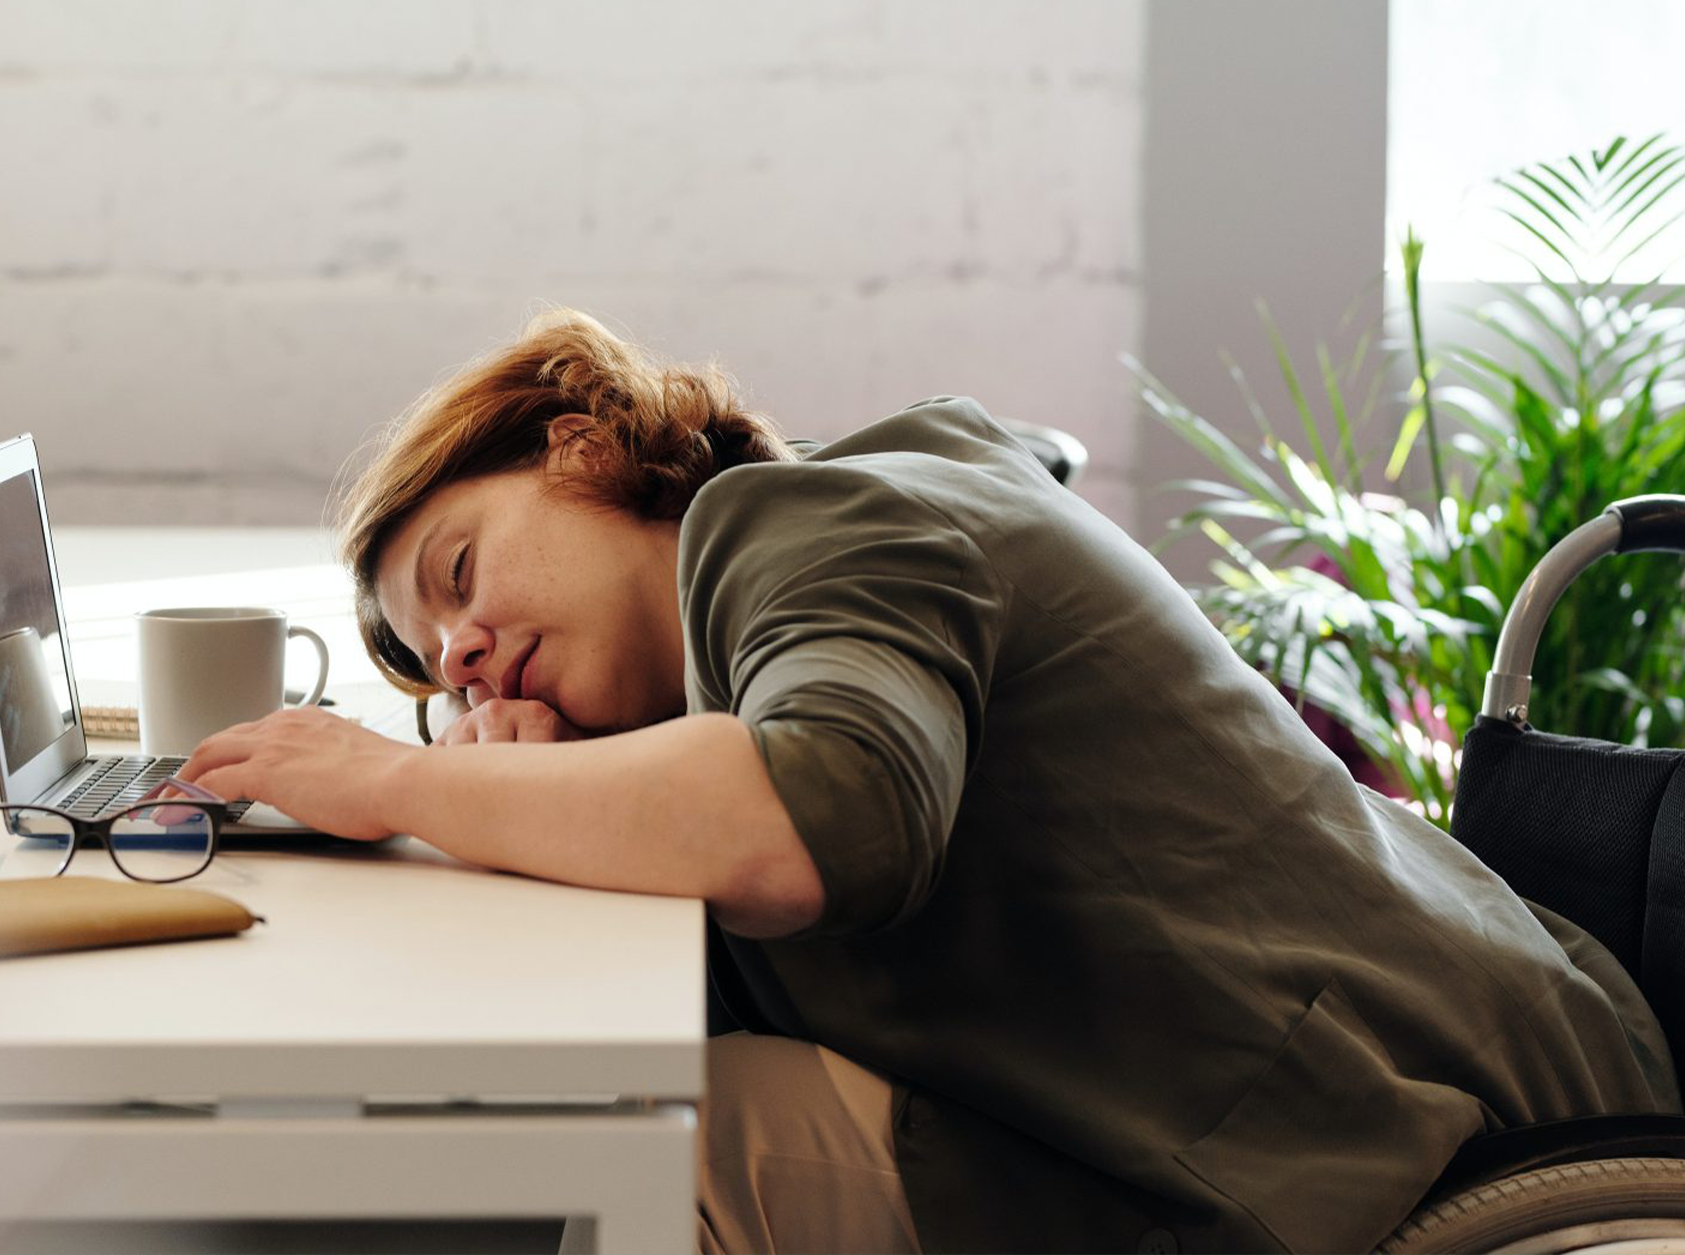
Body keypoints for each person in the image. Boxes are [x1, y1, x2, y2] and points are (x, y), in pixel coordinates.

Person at [174, 309, 1679, 1254]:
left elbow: (823, 817)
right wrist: (528, 804)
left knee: (598, 1140)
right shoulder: (776, 599)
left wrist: (400, 784)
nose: (468, 655)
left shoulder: (810, 524)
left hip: (1390, 1134)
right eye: (435, 665)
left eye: (458, 574)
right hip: (1319, 1090)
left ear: (579, 449)